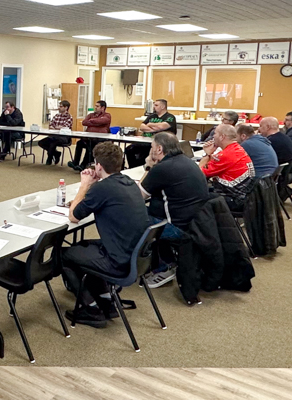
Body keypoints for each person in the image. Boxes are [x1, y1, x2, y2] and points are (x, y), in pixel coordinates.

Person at [62, 142, 150, 327]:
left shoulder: (102, 188)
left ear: (99, 166)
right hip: (134, 255)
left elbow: (74, 215)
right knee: (84, 245)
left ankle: (91, 308)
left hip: (118, 261)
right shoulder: (129, 183)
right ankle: (106, 299)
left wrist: (85, 185)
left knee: (63, 256)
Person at [138, 133, 210, 288]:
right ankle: (159, 262)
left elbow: (139, 196)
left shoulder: (162, 168)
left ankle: (164, 265)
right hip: (196, 223)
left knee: (129, 215)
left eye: (151, 147)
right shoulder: (187, 161)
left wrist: (149, 167)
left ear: (158, 149)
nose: (150, 150)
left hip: (175, 227)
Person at [199, 124, 255, 211]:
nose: (213, 136)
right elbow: (210, 167)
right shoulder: (237, 149)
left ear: (222, 137)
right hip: (244, 197)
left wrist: (206, 154)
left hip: (233, 199)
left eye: (215, 133)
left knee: (195, 198)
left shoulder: (225, 155)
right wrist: (210, 155)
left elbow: (199, 174)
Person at [126, 99, 177, 168]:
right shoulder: (151, 116)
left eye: (156, 105)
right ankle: (133, 167)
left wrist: (150, 124)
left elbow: (162, 126)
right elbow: (142, 127)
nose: (154, 107)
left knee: (146, 153)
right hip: (145, 140)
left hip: (158, 143)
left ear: (162, 106)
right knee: (129, 149)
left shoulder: (170, 117)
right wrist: (154, 129)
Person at [68, 100, 111, 172]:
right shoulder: (91, 114)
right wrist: (96, 121)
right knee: (79, 143)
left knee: (91, 146)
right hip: (88, 137)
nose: (95, 107)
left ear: (103, 108)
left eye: (97, 106)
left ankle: (83, 165)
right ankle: (75, 162)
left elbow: (103, 121)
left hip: (100, 139)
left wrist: (91, 121)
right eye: (95, 106)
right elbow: (84, 122)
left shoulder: (107, 115)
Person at [38, 100, 73, 165]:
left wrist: (56, 127)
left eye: (61, 106)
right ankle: (56, 153)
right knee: (41, 142)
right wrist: (57, 127)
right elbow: (51, 125)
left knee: (53, 143)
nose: (59, 107)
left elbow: (65, 127)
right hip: (54, 135)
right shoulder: (57, 115)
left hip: (64, 137)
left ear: (66, 108)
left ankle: (49, 158)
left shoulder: (69, 117)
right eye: (59, 106)